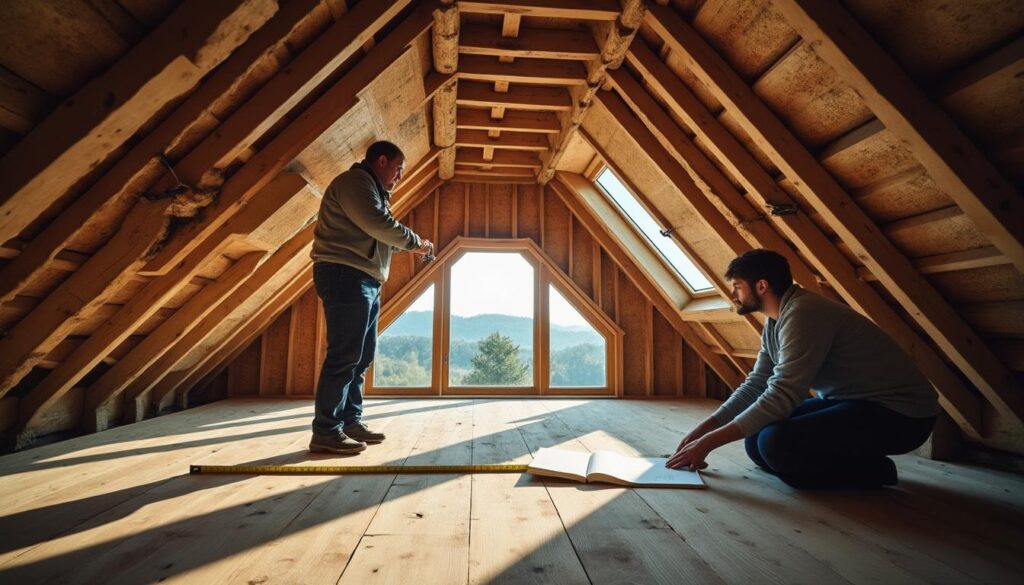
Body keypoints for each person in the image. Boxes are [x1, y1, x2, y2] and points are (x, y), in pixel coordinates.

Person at [666, 249, 939, 488]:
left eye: (737, 286)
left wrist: (708, 444)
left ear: (761, 286)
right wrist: (702, 431)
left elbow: (783, 395)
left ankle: (877, 470)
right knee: (757, 443)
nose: (733, 295)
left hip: (901, 416)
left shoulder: (804, 314)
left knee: (775, 445)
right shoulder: (776, 321)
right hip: (853, 402)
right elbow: (757, 384)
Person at [308, 140, 433, 454]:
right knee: (344, 356)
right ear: (381, 160)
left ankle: (350, 421)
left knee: (361, 357)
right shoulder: (356, 183)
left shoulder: (373, 190)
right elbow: (379, 225)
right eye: (398, 168)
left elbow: (376, 233)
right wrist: (417, 243)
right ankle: (326, 430)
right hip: (345, 275)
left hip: (364, 279)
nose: (400, 176)